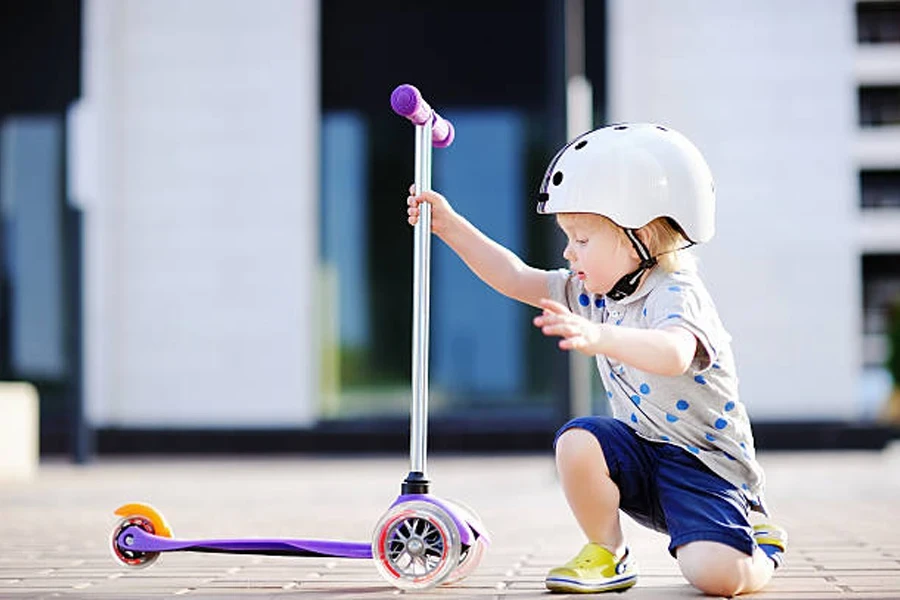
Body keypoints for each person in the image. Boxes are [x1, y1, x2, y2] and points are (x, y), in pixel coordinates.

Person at [406, 123, 787, 595]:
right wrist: (449, 225)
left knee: (717, 578)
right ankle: (608, 553)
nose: (568, 251)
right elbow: (516, 277)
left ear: (640, 237)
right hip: (644, 454)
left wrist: (597, 335)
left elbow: (673, 353)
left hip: (706, 469)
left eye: (582, 239)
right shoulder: (591, 291)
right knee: (579, 440)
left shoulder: (676, 293)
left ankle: (761, 544)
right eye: (567, 237)